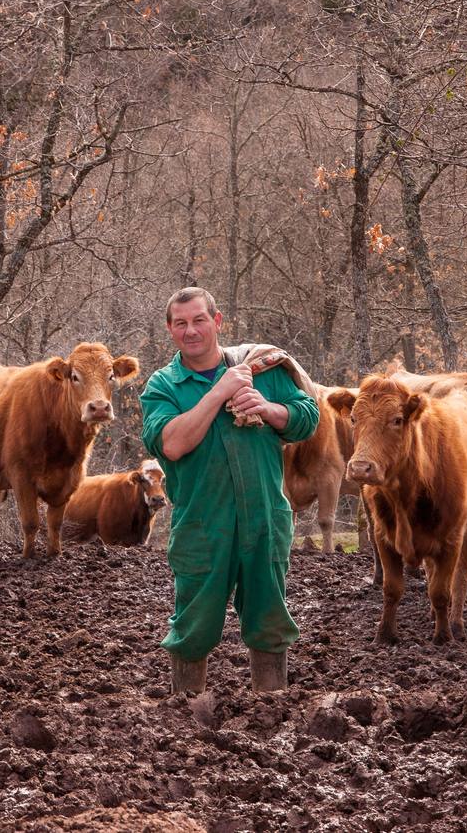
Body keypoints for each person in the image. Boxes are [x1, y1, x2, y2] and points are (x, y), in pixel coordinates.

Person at [140, 287, 319, 693]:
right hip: (202, 526)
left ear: (217, 322)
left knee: (269, 616)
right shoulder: (163, 386)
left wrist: (268, 408)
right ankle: (185, 715)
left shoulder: (262, 368)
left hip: (265, 517)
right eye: (181, 323)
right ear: (169, 329)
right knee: (194, 623)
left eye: (199, 320)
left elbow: (308, 417)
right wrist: (220, 391)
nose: (191, 331)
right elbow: (172, 442)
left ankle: (271, 707)